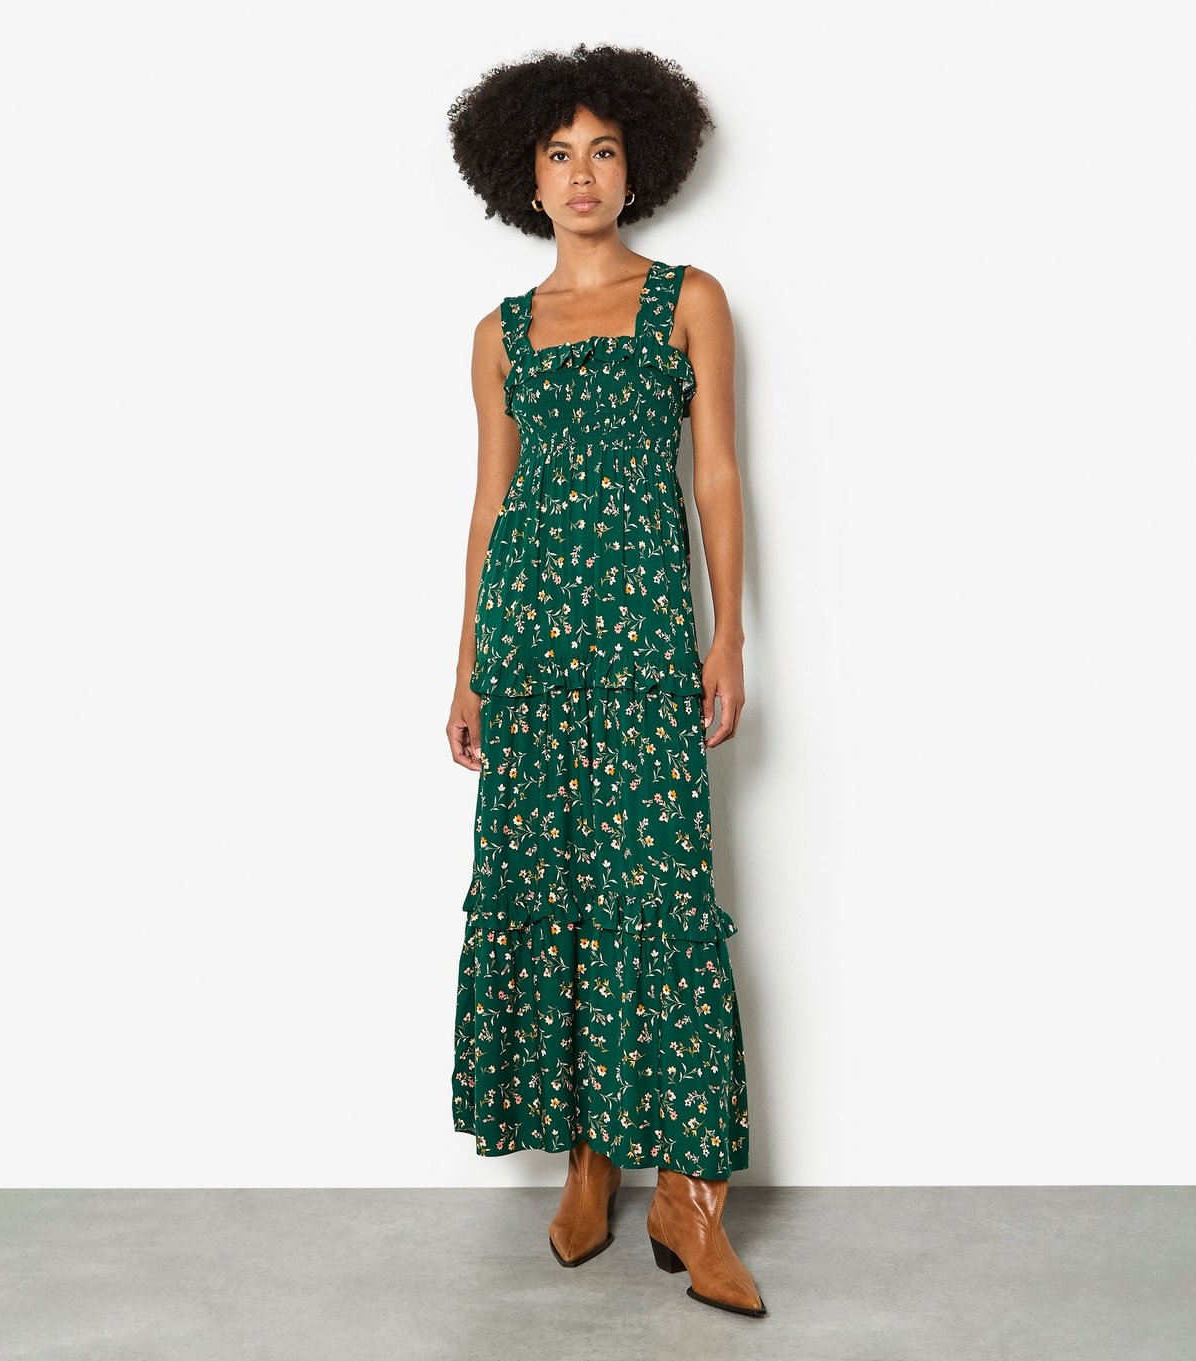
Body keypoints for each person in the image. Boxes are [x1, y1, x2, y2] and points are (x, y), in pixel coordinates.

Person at [444, 43, 765, 1318]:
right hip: (531, 645)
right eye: (558, 154)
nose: (582, 175)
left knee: (659, 895)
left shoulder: (690, 301)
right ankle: (587, 1157)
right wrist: (468, 664)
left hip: (641, 640)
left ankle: (690, 1195)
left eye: (604, 151)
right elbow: (489, 508)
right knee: (555, 887)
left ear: (640, 167)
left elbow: (718, 476)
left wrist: (727, 636)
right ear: (525, 178)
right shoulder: (500, 333)